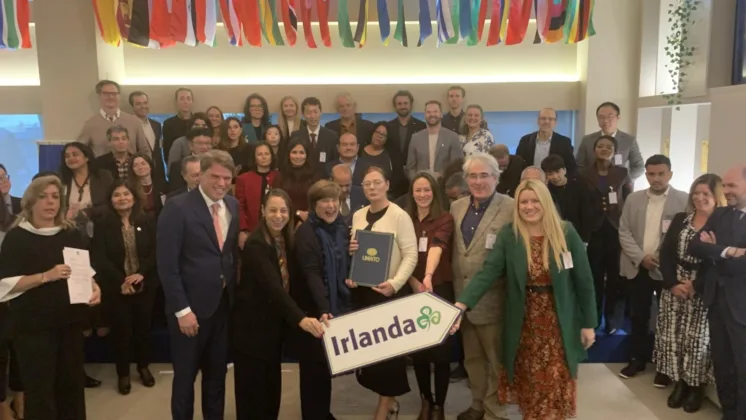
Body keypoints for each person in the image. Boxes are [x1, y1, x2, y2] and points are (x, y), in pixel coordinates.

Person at [453, 179, 597, 420]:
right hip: (523, 324)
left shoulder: (565, 232)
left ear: (545, 202)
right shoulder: (510, 235)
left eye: (534, 201)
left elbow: (584, 281)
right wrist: (461, 304)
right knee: (529, 384)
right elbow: (488, 272)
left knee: (554, 383)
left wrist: (589, 324)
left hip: (558, 323)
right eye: (523, 202)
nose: (529, 207)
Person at [0, 175, 101, 420]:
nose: (50, 202)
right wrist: (46, 276)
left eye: (55, 197)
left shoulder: (70, 234)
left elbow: (83, 271)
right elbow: (5, 285)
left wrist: (94, 287)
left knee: (71, 388)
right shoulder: (17, 238)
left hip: (69, 323)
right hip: (33, 328)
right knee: (41, 391)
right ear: (31, 202)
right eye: (43, 196)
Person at [157, 150, 239, 420]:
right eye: (215, 176)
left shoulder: (232, 205)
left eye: (226, 177)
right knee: (185, 379)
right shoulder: (177, 207)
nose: (221, 182)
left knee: (216, 377)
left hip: (222, 309)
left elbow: (227, 255)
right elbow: (168, 266)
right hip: (189, 311)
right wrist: (182, 311)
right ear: (200, 175)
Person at [231, 189, 325, 420]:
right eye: (272, 210)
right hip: (251, 331)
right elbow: (273, 288)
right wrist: (300, 319)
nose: (278, 215)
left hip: (272, 331)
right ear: (262, 212)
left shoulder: (285, 240)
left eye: (283, 210)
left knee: (271, 391)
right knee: (252, 394)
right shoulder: (256, 244)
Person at [345, 166, 418, 420]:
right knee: (372, 355)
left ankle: (384, 407)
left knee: (389, 357)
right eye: (367, 184)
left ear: (387, 184)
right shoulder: (357, 215)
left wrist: (396, 283)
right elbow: (356, 252)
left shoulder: (400, 216)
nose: (372, 188)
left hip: (388, 294)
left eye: (377, 182)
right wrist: (351, 259)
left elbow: (411, 255)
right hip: (363, 294)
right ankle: (391, 400)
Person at [450, 153, 514, 420]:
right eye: (473, 176)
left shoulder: (511, 207)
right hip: (462, 300)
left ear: (496, 178)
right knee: (473, 361)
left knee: (497, 362)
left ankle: (497, 411)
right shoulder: (457, 207)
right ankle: (478, 404)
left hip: (495, 301)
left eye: (484, 175)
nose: (478, 181)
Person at [654, 174, 725, 413]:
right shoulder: (681, 219)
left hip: (703, 291)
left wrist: (696, 285)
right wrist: (673, 283)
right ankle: (680, 382)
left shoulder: (723, 225)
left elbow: (718, 263)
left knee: (697, 341)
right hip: (675, 289)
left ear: (717, 197)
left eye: (706, 194)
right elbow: (665, 254)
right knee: (673, 338)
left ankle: (696, 387)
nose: (699, 198)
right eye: (696, 192)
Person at [618, 155, 688, 384]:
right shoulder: (634, 199)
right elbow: (624, 231)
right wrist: (641, 257)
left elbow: (682, 236)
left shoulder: (684, 201)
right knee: (638, 315)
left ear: (670, 174)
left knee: (667, 319)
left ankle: (664, 367)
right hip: (637, 266)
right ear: (645, 174)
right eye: (651, 174)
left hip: (666, 270)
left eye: (660, 174)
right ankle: (637, 359)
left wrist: (658, 257)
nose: (655, 179)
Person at [688, 164, 746, 420]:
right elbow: (695, 246)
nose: (726, 190)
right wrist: (729, 251)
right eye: (725, 185)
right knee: (723, 366)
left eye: (732, 185)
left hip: (742, 306)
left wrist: (715, 250)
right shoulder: (721, 215)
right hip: (717, 302)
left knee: (743, 369)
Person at [292, 180, 352, 419]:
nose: (330, 206)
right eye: (324, 201)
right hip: (314, 309)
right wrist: (324, 308)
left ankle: (322, 413)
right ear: (313, 205)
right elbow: (312, 273)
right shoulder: (307, 232)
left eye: (334, 200)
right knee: (312, 370)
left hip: (332, 308)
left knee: (325, 367)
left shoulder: (341, 229)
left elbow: (343, 264)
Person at [91, 180, 157, 395]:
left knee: (142, 330)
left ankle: (143, 367)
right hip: (116, 287)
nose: (122, 198)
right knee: (122, 331)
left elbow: (154, 251)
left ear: (134, 197)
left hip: (144, 284)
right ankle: (123, 374)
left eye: (126, 194)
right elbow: (99, 257)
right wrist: (122, 280)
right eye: (116, 195)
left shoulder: (146, 220)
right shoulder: (103, 224)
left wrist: (141, 274)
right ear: (110, 200)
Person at [406, 173, 455, 420]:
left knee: (441, 353)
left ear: (434, 192)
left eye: (427, 190)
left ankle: (440, 405)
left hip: (439, 289)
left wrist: (427, 276)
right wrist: (414, 282)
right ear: (412, 193)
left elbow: (437, 245)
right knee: (420, 352)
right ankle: (426, 400)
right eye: (418, 190)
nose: (422, 195)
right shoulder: (405, 220)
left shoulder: (445, 218)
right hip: (413, 289)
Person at [580, 135, 632, 334]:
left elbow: (627, 201)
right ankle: (592, 319)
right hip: (593, 230)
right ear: (594, 150)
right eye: (600, 146)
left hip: (615, 229)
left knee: (614, 278)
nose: (604, 149)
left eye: (608, 146)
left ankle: (612, 320)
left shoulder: (622, 173)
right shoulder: (583, 173)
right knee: (594, 277)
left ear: (614, 151)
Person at [60, 142, 115, 244]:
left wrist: (87, 212)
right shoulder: (61, 179)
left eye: (75, 154)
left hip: (100, 229)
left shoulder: (103, 176)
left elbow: (111, 203)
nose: (71, 158)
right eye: (67, 156)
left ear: (87, 157)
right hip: (69, 231)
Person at [575, 102, 644, 180]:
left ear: (618, 118)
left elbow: (639, 167)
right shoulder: (587, 140)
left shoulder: (629, 140)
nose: (605, 120)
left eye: (610, 117)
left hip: (618, 187)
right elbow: (579, 165)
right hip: (591, 185)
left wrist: (624, 180)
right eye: (601, 117)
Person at [541, 154, 594, 242]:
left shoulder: (579, 185)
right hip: (553, 235)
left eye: (557, 172)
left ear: (564, 170)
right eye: (550, 174)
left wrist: (585, 240)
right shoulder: (546, 190)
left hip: (577, 233)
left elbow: (586, 214)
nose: (555, 176)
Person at [236, 142, 279, 248]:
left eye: (266, 154)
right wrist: (243, 230)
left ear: (272, 157)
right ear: (254, 158)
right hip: (250, 231)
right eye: (259, 154)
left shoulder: (279, 177)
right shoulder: (243, 179)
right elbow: (239, 206)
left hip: (275, 230)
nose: (263, 157)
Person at [385, 90, 426, 197]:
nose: (403, 106)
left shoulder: (422, 126)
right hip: (392, 179)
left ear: (411, 105)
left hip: (415, 177)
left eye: (405, 103)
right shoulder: (387, 127)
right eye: (399, 104)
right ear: (395, 106)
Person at [407, 100, 462, 180]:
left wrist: (442, 176)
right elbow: (410, 168)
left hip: (444, 185)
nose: (432, 114)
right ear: (425, 115)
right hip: (422, 186)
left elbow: (456, 166)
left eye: (435, 111)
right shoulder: (415, 138)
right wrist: (416, 181)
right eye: (428, 112)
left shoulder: (452, 137)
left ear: (441, 114)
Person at [516, 108, 577, 176]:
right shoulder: (525, 140)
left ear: (555, 122)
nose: (546, 121)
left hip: (554, 182)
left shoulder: (564, 142)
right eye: (543, 118)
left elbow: (571, 167)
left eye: (550, 119)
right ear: (538, 121)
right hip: (531, 181)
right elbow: (518, 165)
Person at [273, 139, 320, 225]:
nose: (298, 156)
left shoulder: (315, 176)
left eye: (301, 153)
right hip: (283, 221)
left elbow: (318, 200)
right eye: (294, 152)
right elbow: (276, 201)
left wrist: (308, 215)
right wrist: (297, 213)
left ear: (307, 155)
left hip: (310, 221)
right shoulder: (280, 175)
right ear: (288, 154)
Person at [128, 154, 166, 218]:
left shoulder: (163, 185)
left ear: (150, 166)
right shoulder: (130, 188)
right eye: (135, 165)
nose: (140, 167)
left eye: (143, 163)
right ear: (132, 170)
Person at [162, 88, 195, 162]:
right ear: (176, 101)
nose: (185, 102)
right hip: (176, 164)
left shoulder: (198, 122)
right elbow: (166, 150)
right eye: (182, 99)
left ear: (192, 101)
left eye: (188, 99)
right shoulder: (168, 123)